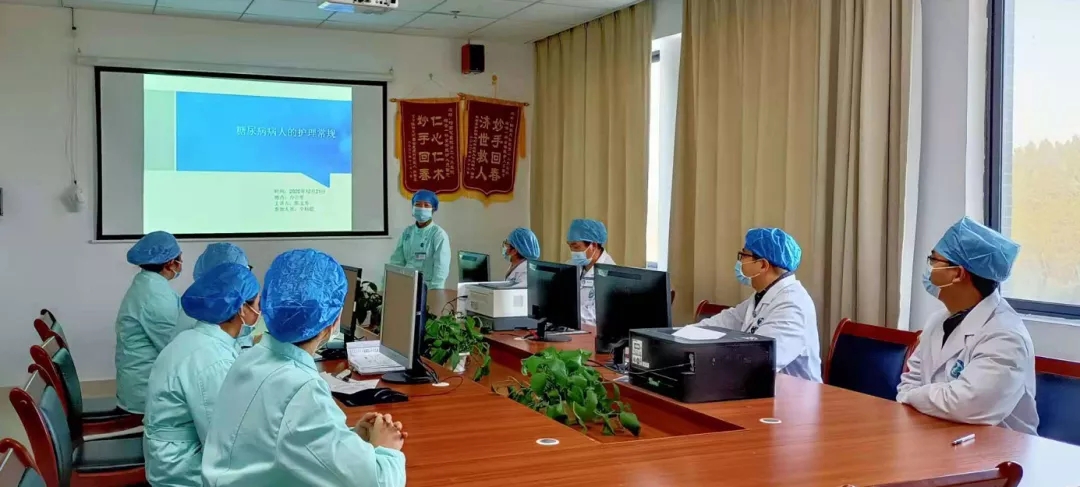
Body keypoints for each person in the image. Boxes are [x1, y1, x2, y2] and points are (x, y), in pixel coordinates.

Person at [201, 249, 407, 487]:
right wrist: (386, 449)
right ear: (333, 320)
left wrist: (351, 440)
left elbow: (289, 442)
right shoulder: (301, 389)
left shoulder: (250, 359)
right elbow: (377, 482)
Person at [897, 217, 1037, 435]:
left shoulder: (1006, 335)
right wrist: (923, 396)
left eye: (934, 260)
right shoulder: (938, 320)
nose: (929, 269)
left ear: (958, 273)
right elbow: (909, 381)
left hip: (999, 450)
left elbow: (968, 404)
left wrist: (915, 397)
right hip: (937, 435)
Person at [143, 263, 261, 487]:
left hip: (171, 457)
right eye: (257, 304)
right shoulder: (213, 361)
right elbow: (224, 444)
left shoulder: (194, 338)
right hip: (183, 473)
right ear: (241, 309)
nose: (259, 312)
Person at [689, 228, 821, 383]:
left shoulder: (792, 305)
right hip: (765, 386)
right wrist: (679, 338)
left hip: (796, 393)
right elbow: (723, 322)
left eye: (744, 255)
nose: (740, 262)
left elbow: (757, 360)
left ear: (763, 265)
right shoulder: (763, 296)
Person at [115, 230, 185, 414]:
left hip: (140, 382)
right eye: (180, 258)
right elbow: (174, 347)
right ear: (170, 263)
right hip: (145, 393)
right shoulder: (154, 295)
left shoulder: (149, 284)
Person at [388, 189, 450, 289]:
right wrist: (390, 284)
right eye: (418, 204)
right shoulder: (407, 232)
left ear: (433, 209)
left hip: (428, 287)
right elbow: (396, 261)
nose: (421, 208)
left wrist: (435, 291)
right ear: (413, 207)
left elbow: (441, 268)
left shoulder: (438, 234)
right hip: (407, 284)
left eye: (426, 205)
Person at [566, 219, 616, 325]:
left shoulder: (609, 274)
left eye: (576, 247)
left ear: (593, 245)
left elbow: (597, 315)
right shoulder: (570, 265)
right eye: (570, 246)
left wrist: (566, 313)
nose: (572, 252)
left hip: (591, 330)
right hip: (570, 326)